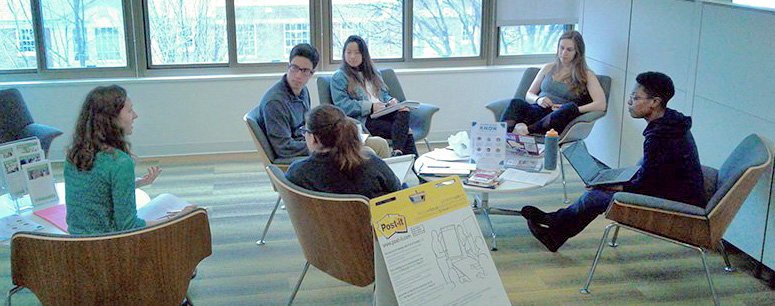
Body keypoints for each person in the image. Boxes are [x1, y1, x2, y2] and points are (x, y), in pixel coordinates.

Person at [521, 72, 705, 252]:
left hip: (674, 201)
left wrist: (615, 187)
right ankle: (555, 226)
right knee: (601, 187)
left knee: (596, 196)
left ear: (655, 102)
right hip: (670, 188)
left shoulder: (660, 135)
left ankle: (554, 229)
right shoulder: (671, 122)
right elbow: (654, 173)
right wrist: (614, 182)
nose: (629, 102)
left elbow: (648, 184)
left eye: (635, 97)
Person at [64, 85, 195, 235]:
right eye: (129, 110)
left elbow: (96, 194)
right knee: (189, 217)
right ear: (111, 118)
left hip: (78, 245)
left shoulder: (74, 155)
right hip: (108, 247)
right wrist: (177, 219)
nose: (135, 115)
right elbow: (129, 226)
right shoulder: (120, 162)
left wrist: (138, 183)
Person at [257, 43, 390, 160]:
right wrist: (326, 145)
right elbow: (284, 148)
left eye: (304, 71)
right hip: (303, 154)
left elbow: (305, 127)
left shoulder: (302, 91)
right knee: (369, 152)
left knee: (380, 144)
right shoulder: (275, 102)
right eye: (294, 68)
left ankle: (389, 187)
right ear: (288, 66)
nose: (298, 75)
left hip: (310, 143)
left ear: (312, 73)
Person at [501, 30, 607, 135]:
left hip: (557, 118)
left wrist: (575, 110)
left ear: (577, 52)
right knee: (516, 102)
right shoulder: (548, 67)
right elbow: (529, 94)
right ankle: (501, 136)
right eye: (561, 48)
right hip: (538, 110)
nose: (563, 53)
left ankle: (527, 130)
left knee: (569, 107)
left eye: (569, 50)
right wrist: (538, 99)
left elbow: (601, 104)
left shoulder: (587, 75)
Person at [285, 104, 401, 199]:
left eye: (305, 131)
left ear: (314, 138)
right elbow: (397, 193)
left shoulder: (296, 173)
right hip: (370, 225)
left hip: (319, 227)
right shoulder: (372, 163)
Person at [331, 35, 417, 156]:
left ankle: (398, 153)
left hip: (383, 112)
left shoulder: (373, 73)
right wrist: (370, 107)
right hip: (365, 119)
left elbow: (383, 95)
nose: (352, 56)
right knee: (405, 131)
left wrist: (391, 101)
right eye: (348, 52)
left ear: (364, 54)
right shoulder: (339, 76)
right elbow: (343, 105)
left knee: (404, 110)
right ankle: (402, 157)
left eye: (357, 53)